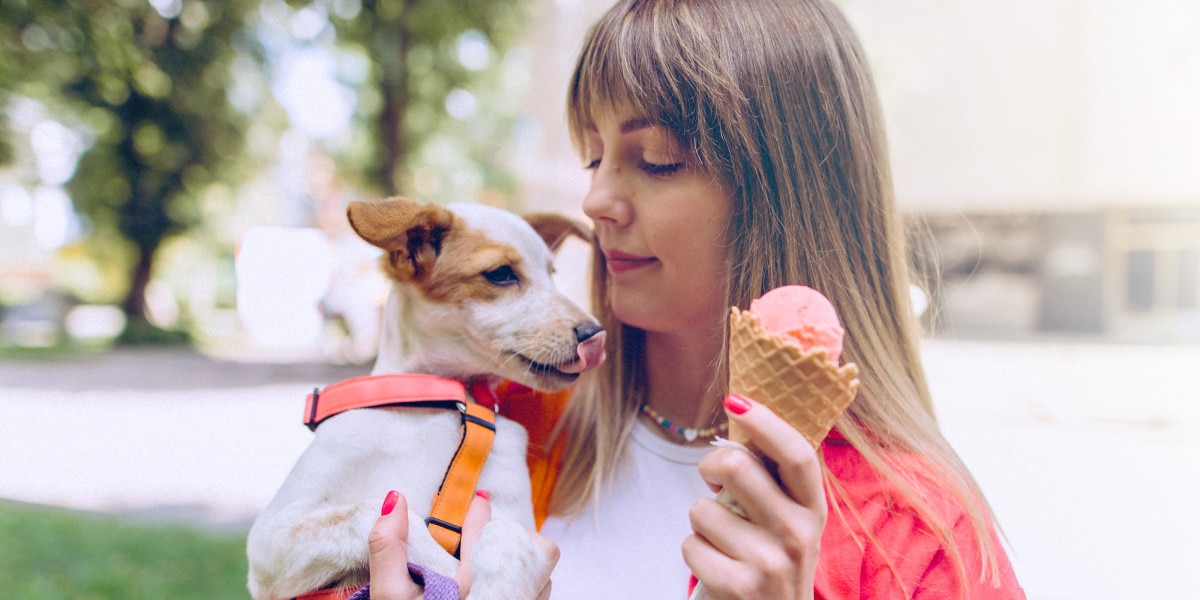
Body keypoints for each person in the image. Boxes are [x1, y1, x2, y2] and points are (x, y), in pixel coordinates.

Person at [365, 0, 1026, 598]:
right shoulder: (503, 420)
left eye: (655, 159)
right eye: (594, 157)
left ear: (789, 197)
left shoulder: (923, 540)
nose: (595, 201)